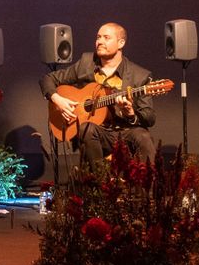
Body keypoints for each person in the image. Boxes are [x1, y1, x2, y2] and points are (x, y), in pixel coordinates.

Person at [39, 22, 159, 166]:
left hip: (126, 131)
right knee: (86, 129)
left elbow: (149, 117)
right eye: (98, 37)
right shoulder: (86, 63)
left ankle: (148, 180)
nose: (100, 42)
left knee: (143, 137)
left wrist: (131, 114)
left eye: (106, 38)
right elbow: (48, 79)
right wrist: (57, 100)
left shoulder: (139, 76)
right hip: (99, 132)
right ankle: (98, 178)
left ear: (121, 43)